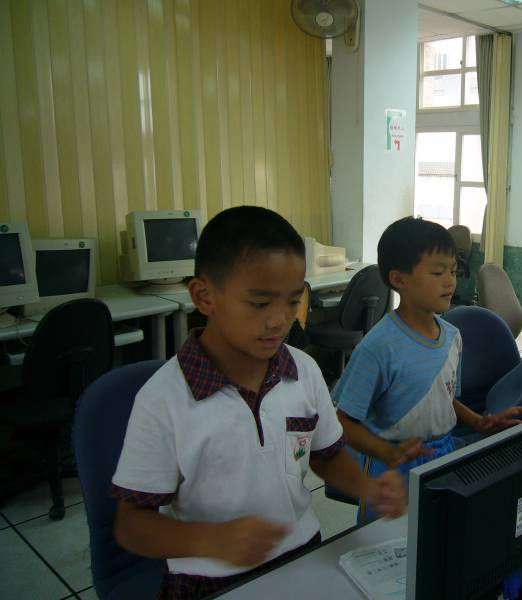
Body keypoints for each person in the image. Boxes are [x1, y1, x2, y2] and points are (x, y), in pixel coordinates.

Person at [111, 206, 406, 600]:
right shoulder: (163, 399)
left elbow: (327, 455)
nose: (280, 321)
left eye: (292, 301)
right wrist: (213, 540)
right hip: (208, 577)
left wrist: (367, 488)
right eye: (260, 303)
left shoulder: (303, 371)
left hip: (301, 553)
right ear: (204, 296)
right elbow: (132, 524)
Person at [333, 216, 522, 522]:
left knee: (439, 533)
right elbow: (344, 421)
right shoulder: (379, 347)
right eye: (438, 272)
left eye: (453, 271)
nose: (450, 282)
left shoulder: (452, 337)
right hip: (393, 465)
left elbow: (443, 397)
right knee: (390, 542)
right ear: (399, 279)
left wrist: (479, 422)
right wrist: (386, 452)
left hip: (443, 454)